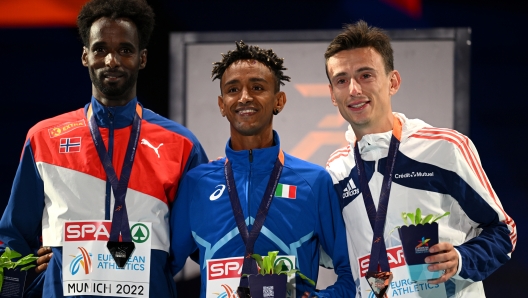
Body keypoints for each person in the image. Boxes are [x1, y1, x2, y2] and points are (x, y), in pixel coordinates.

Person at [0, 0, 207, 297]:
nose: (112, 60)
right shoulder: (44, 138)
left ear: (142, 58)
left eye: (125, 49)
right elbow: (13, 237)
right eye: (100, 49)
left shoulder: (181, 144)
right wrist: (16, 286)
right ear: (85, 56)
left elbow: (207, 240)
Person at [324, 20, 516, 297]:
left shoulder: (444, 147)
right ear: (332, 94)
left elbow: (503, 231)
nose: (354, 89)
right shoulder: (337, 169)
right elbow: (333, 255)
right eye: (342, 80)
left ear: (393, 82)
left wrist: (462, 260)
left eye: (366, 75)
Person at [170, 41, 355, 298]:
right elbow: (162, 270)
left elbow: (353, 275)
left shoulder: (314, 182)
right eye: (233, 89)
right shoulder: (197, 184)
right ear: (222, 104)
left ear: (279, 101)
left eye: (257, 87)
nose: (245, 97)